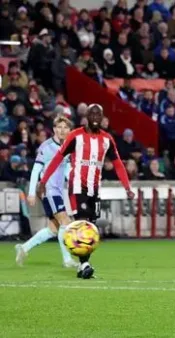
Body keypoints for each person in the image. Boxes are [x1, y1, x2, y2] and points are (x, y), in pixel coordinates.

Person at [38, 104, 134, 279]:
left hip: (95, 189)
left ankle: (82, 265)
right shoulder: (75, 136)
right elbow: (58, 158)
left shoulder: (107, 139)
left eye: (99, 114)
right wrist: (43, 181)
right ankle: (85, 264)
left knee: (91, 228)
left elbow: (118, 164)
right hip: (77, 187)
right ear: (87, 117)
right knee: (82, 224)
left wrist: (127, 186)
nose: (96, 117)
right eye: (93, 114)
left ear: (103, 117)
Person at [15, 115, 78, 268]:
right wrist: (31, 192)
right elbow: (36, 169)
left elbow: (65, 171)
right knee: (66, 222)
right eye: (59, 127)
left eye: (65, 128)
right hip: (48, 190)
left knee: (53, 229)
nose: (62, 130)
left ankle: (24, 248)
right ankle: (67, 260)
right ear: (55, 129)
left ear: (69, 130)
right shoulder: (47, 146)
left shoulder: (68, 147)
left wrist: (74, 179)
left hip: (57, 191)